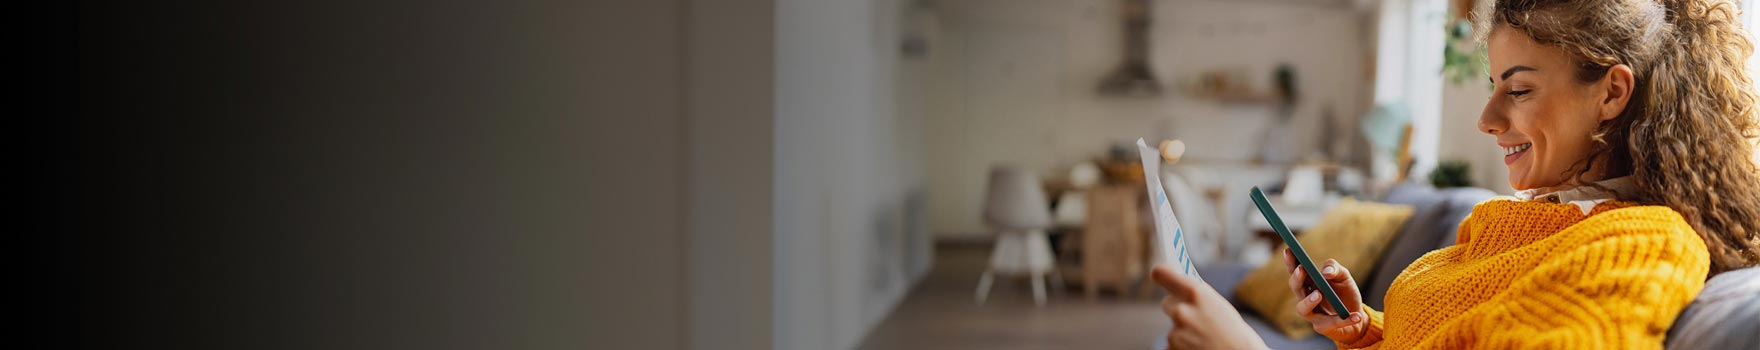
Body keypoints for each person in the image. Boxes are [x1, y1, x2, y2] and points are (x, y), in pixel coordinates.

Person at [1150, 0, 1760, 348]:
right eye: (1494, 87)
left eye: (1518, 90)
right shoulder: (1514, 222)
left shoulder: (1640, 243)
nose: (1488, 120)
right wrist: (1363, 328)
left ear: (1611, 92)